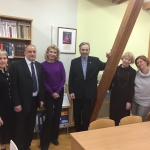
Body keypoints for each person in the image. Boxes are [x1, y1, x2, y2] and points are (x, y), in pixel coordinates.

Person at [69, 42, 110, 132]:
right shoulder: (74, 62)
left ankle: (85, 131)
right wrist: (71, 91)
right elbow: (71, 77)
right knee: (77, 113)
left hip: (89, 93)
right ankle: (78, 131)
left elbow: (106, 66)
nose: (85, 51)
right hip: (77, 92)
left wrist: (109, 58)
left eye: (86, 50)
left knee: (86, 114)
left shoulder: (95, 60)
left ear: (89, 50)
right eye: (83, 50)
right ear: (80, 50)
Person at [10, 45, 44, 150]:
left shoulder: (39, 66)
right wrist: (16, 103)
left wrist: (41, 99)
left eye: (34, 51)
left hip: (34, 101)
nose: (32, 54)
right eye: (30, 51)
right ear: (25, 53)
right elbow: (13, 86)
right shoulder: (16, 65)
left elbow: (41, 84)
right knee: (20, 128)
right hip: (21, 103)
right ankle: (19, 147)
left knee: (30, 127)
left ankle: (26, 146)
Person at [40, 44, 66, 150]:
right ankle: (44, 142)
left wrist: (58, 92)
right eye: (51, 52)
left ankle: (54, 137)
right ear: (47, 53)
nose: (53, 54)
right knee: (49, 116)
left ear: (57, 54)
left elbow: (63, 79)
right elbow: (43, 81)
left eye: (55, 52)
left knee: (57, 116)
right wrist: (52, 93)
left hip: (59, 92)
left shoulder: (60, 64)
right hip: (48, 93)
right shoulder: (42, 65)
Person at [109, 52, 136, 126]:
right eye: (125, 59)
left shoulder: (133, 72)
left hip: (125, 98)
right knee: (113, 115)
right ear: (122, 59)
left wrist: (129, 101)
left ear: (131, 62)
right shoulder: (115, 68)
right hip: (114, 96)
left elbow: (131, 87)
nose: (126, 61)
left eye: (129, 60)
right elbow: (110, 82)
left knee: (123, 117)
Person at [0, 50, 13, 150]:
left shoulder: (7, 71)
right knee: (2, 138)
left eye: (4, 58)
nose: (2, 60)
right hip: (1, 110)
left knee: (5, 138)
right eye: (0, 58)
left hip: (8, 109)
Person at [132, 55, 150, 121]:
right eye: (137, 63)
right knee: (134, 119)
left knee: (140, 120)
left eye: (141, 61)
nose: (139, 64)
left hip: (145, 102)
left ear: (146, 61)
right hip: (135, 100)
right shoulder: (136, 73)